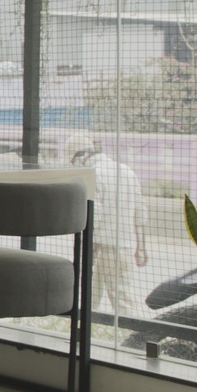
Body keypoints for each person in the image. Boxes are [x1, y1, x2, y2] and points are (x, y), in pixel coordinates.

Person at [63, 134, 148, 335]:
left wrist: (85, 244)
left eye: (73, 161)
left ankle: (84, 335)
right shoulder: (126, 171)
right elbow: (140, 211)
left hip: (99, 247)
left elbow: (94, 215)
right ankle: (130, 339)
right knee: (121, 296)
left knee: (90, 296)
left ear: (81, 156)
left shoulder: (93, 175)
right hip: (124, 246)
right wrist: (141, 247)